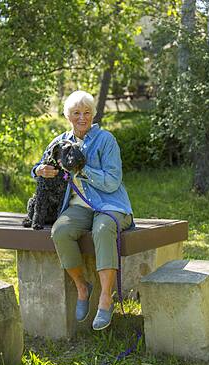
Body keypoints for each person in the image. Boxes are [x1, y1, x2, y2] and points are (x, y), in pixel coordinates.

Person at [31, 90, 133, 330]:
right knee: (60, 231)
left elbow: (112, 181)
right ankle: (82, 287)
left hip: (110, 205)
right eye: (76, 113)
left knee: (103, 228)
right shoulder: (60, 141)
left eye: (87, 112)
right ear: (68, 116)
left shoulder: (106, 139)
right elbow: (40, 163)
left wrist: (82, 170)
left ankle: (106, 298)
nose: (82, 117)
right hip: (78, 207)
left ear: (93, 115)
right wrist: (39, 170)